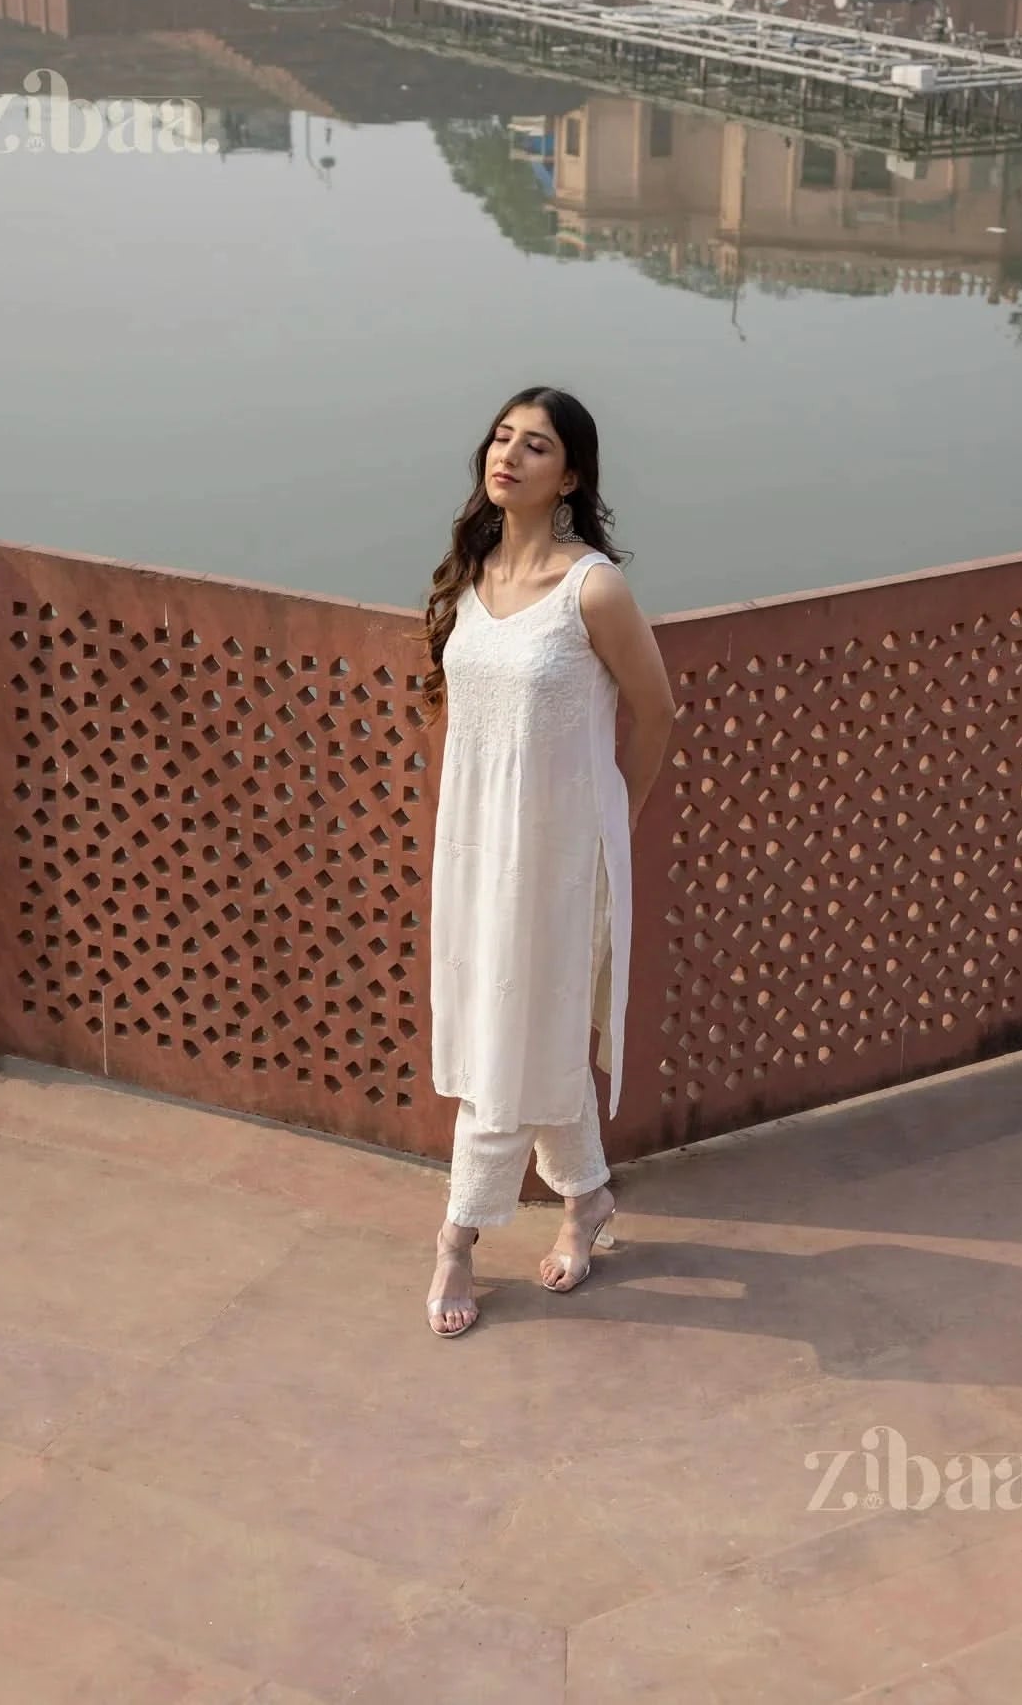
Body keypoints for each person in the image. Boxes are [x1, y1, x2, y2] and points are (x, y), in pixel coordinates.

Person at [417, 386, 674, 1337]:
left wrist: (612, 826)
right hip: (478, 851)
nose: (509, 456)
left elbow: (658, 714)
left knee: (508, 1042)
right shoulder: (471, 572)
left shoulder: (591, 589)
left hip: (564, 860)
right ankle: (588, 1198)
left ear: (569, 476)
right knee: (533, 1029)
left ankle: (458, 1237)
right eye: (501, 437)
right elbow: (460, 713)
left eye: (536, 447)